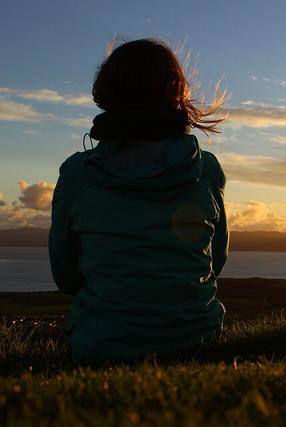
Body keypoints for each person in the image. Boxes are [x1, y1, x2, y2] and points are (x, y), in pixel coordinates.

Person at [48, 38, 229, 363]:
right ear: (177, 94)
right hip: (198, 343)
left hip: (101, 349)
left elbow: (66, 277)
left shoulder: (77, 175)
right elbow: (215, 261)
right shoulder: (206, 170)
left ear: (106, 95)